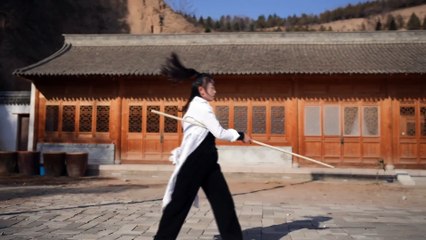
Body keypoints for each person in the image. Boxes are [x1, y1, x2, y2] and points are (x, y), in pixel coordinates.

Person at [154, 53, 251, 240]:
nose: (215, 91)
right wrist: (241, 135)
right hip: (195, 162)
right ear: (202, 90)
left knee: (223, 203)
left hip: (208, 163)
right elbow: (219, 132)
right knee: (179, 205)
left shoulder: (196, 107)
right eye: (212, 87)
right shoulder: (200, 107)